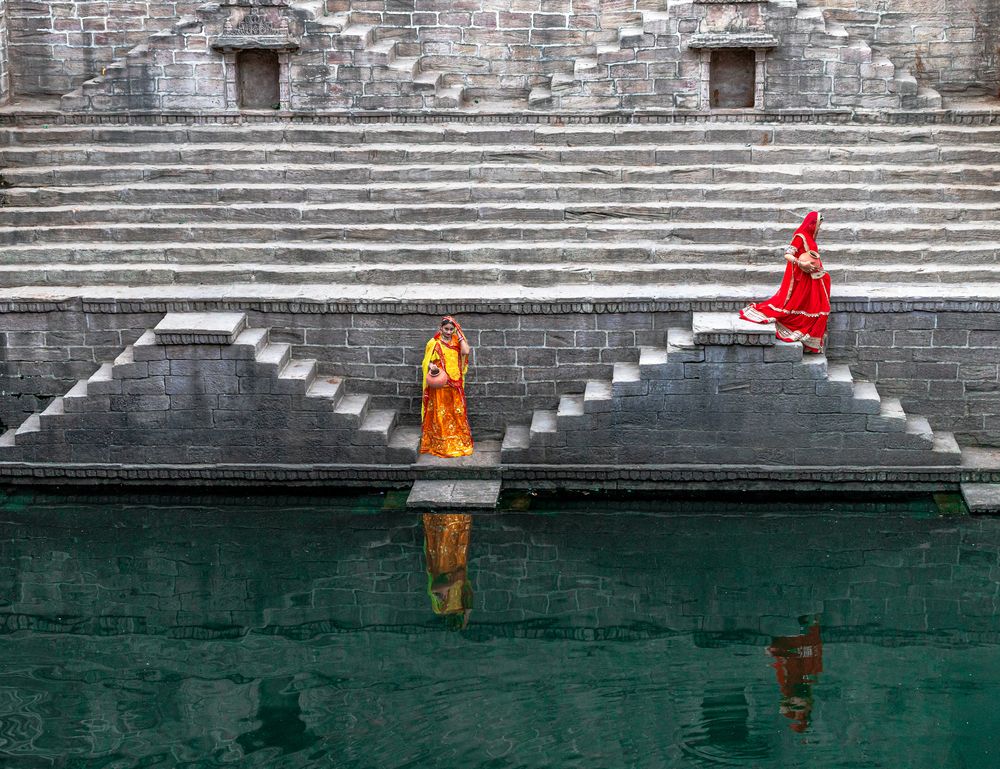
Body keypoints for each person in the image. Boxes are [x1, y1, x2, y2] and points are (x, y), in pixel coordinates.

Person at [740, 211, 831, 353]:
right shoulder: (800, 236)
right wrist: (801, 263)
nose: (819, 228)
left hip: (812, 277)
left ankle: (813, 341)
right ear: (812, 224)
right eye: (818, 225)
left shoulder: (811, 238)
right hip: (803, 276)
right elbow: (788, 254)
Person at [420, 315, 474, 458]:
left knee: (458, 413)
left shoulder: (457, 341)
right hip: (440, 385)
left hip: (455, 384)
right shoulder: (434, 343)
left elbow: (466, 352)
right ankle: (441, 444)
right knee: (440, 414)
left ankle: (459, 443)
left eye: (451, 329)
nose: (449, 332)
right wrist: (432, 367)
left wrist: (460, 335)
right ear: (441, 328)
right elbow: (427, 362)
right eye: (446, 329)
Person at [767, 617, 823, 733]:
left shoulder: (787, 685)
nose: (795, 702)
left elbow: (780, 659)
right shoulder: (811, 679)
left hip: (791, 640)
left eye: (794, 704)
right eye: (800, 706)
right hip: (800, 639)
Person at [422, 512, 473, 630]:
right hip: (458, 564)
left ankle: (442, 517)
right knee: (456, 537)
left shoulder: (440, 609)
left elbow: (434, 588)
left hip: (441, 565)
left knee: (443, 541)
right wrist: (466, 618)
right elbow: (469, 600)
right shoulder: (462, 608)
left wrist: (452, 582)